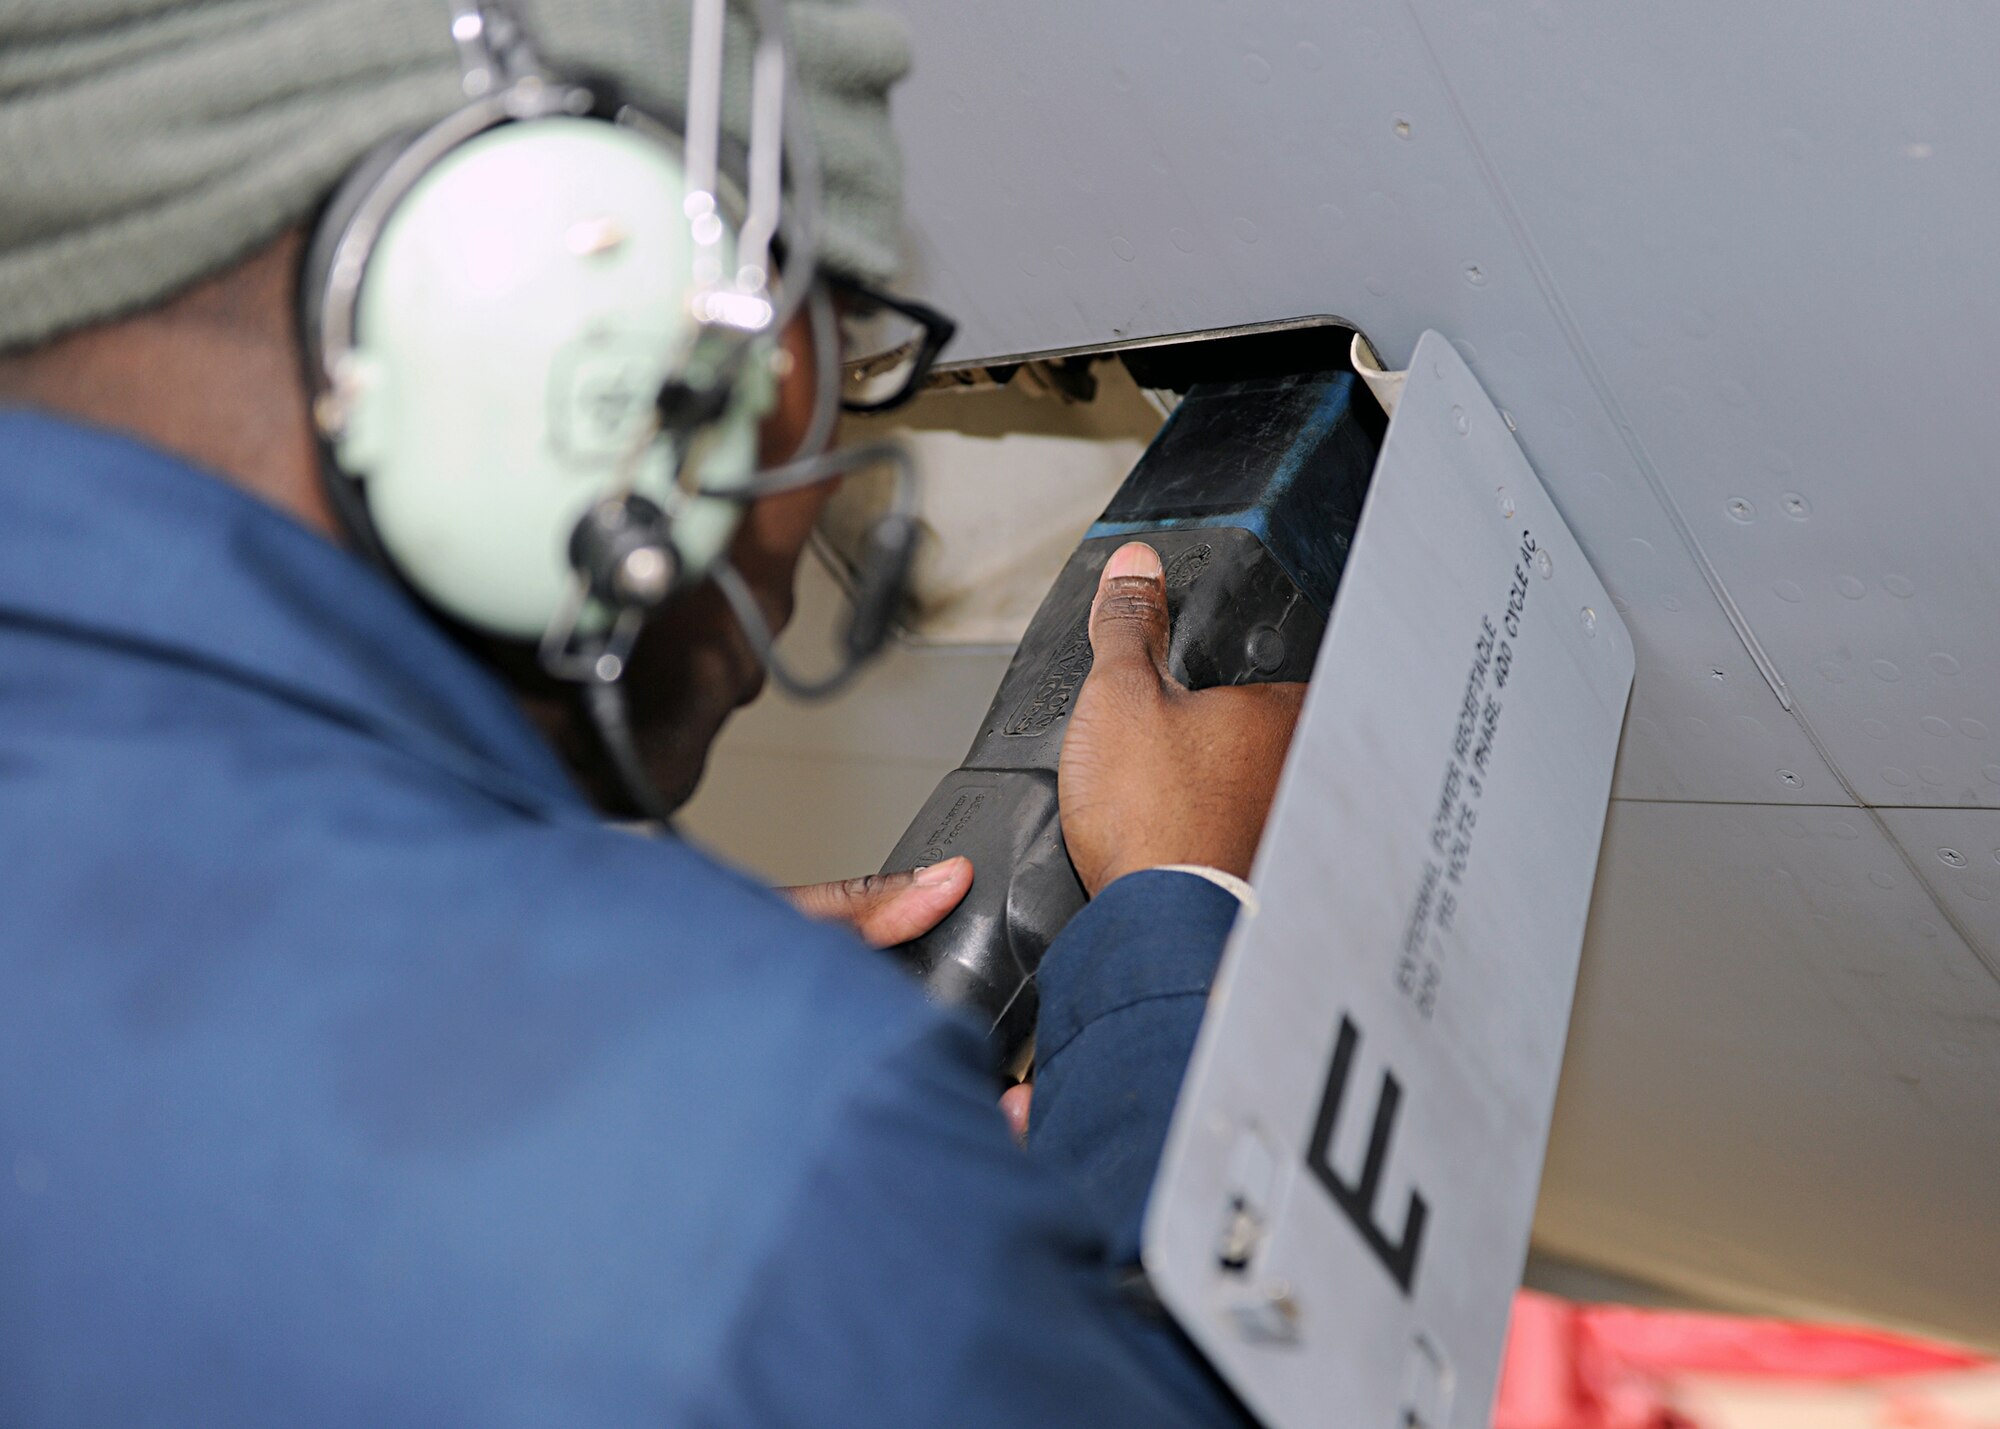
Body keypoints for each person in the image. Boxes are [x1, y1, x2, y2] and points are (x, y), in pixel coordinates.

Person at [0, 2, 1305, 1424]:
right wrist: (1183, 937)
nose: (806, 491)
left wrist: (591, 986)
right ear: (573, 332)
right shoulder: (741, 1176)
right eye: (825, 341)